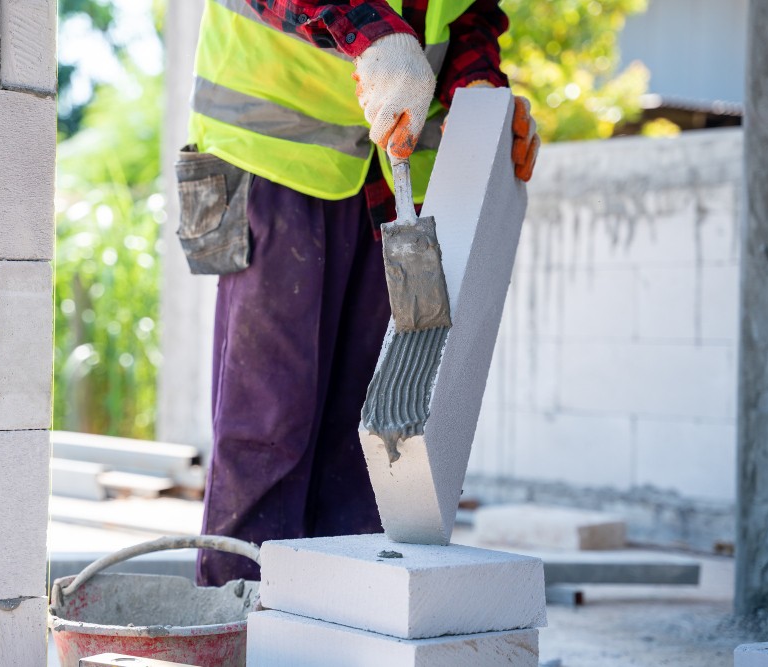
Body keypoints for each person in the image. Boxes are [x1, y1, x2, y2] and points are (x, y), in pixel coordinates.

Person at [175, 0, 539, 587]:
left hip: (388, 182)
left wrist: (481, 96)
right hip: (272, 161)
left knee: (372, 437)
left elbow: (467, 15)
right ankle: (239, 627)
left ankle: (341, 626)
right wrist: (372, 34)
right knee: (269, 427)